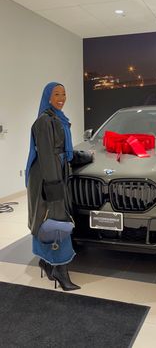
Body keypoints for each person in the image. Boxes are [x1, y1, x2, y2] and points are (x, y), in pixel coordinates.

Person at [26, 82, 93, 291]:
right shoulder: (44, 122)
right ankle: (60, 272)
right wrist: (54, 186)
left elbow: (64, 151)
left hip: (55, 172)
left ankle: (46, 262)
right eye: (56, 94)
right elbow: (47, 156)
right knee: (56, 220)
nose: (61, 98)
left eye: (64, 93)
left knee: (50, 219)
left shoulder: (59, 119)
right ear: (48, 96)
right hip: (48, 177)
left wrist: (83, 157)